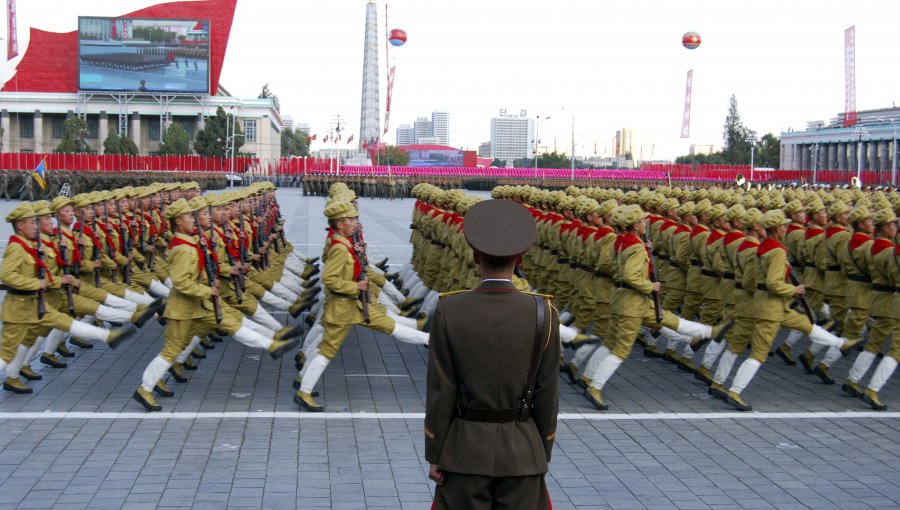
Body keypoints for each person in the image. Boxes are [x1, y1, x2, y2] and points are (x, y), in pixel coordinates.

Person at [425, 199, 559, 510]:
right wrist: (540, 452)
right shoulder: (544, 312)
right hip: (523, 453)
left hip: (463, 451)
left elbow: (441, 391)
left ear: (474, 257)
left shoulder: (449, 310)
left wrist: (436, 452)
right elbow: (547, 393)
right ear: (521, 259)